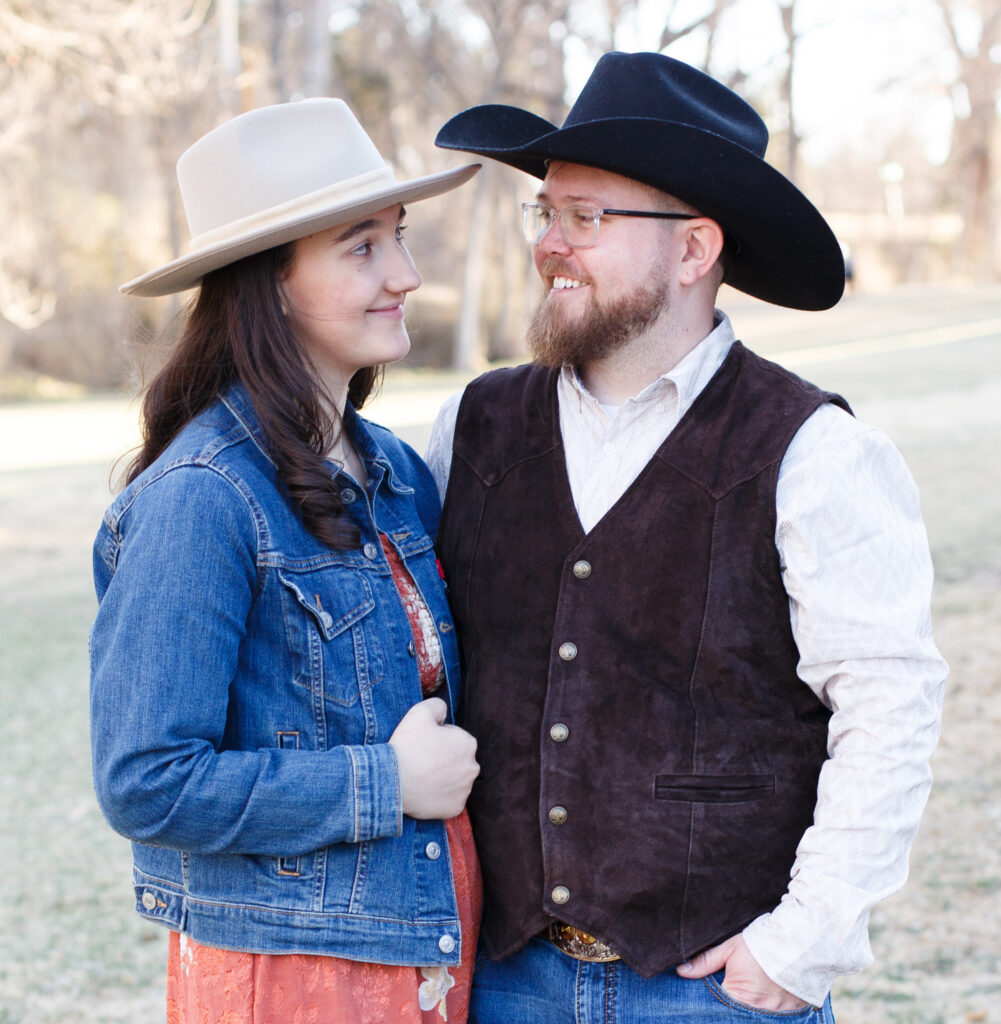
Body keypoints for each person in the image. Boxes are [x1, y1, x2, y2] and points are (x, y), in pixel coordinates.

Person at [425, 51, 947, 1022]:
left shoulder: (813, 452)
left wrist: (800, 944)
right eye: (546, 213)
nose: (549, 243)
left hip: (709, 994)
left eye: (586, 217)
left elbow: (889, 705)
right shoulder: (474, 427)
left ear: (693, 248)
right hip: (501, 980)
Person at [89, 98, 483, 1024]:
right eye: (361, 248)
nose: (406, 274)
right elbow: (147, 779)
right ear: (269, 284)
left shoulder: (392, 470)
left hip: (426, 943)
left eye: (398, 237)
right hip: (294, 972)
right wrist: (386, 784)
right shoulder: (204, 496)